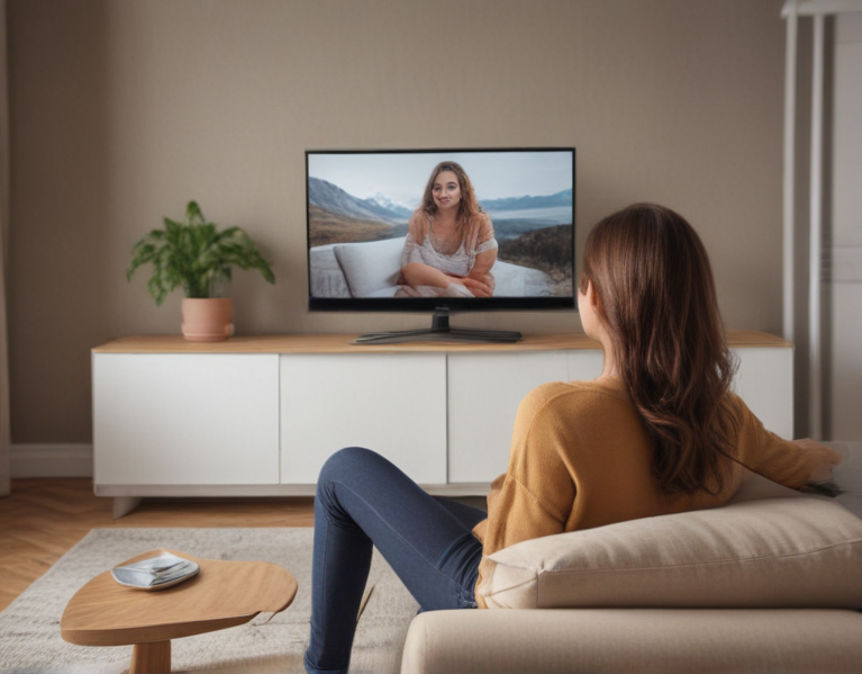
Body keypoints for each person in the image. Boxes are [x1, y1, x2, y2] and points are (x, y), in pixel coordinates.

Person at [303, 202, 841, 674]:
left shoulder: (557, 414)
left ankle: (321, 669)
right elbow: (804, 463)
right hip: (588, 564)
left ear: (597, 301)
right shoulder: (724, 416)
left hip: (493, 603)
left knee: (343, 472)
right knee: (431, 507)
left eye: (585, 279)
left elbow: (506, 575)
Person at [396, 161, 498, 298]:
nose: (443, 194)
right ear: (431, 192)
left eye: (451, 187)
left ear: (462, 191)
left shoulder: (479, 222)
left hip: (459, 292)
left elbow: (477, 280)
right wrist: (455, 281)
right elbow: (409, 269)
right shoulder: (420, 218)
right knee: (412, 270)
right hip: (425, 285)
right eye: (437, 188)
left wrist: (440, 279)